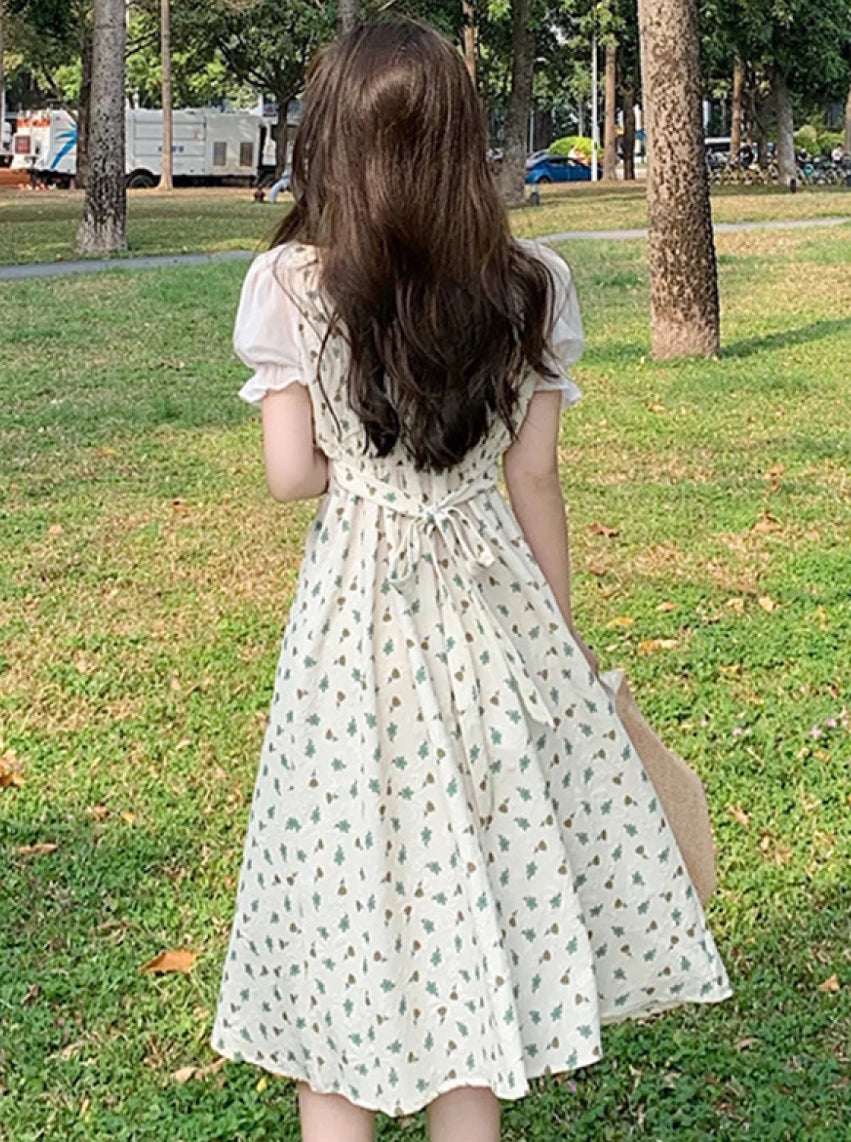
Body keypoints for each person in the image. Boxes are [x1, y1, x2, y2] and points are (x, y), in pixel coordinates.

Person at [210, 18, 733, 1142]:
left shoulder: (290, 283)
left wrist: (366, 465)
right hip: (494, 613)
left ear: (331, 144)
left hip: (353, 631)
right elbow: (531, 478)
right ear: (461, 141)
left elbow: (290, 476)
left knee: (343, 902)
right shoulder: (529, 284)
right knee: (472, 895)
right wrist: (563, 641)